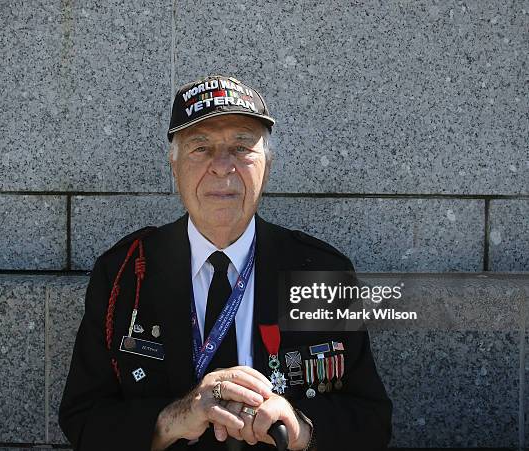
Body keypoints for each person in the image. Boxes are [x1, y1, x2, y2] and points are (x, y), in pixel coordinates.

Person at [58, 74, 392, 450]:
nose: (221, 166)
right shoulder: (124, 272)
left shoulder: (319, 271)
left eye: (241, 146)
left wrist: (300, 428)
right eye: (200, 147)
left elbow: (372, 422)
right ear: (174, 165)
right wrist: (172, 418)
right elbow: (82, 418)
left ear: (267, 165)